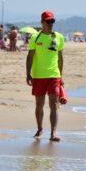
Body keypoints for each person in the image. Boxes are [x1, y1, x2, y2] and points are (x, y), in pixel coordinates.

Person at [26, 11, 65, 142]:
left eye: (52, 21)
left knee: (54, 104)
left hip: (54, 75)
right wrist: (28, 73)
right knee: (39, 105)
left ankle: (53, 132)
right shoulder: (35, 38)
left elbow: (60, 58)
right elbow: (30, 56)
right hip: (38, 75)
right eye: (47, 21)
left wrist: (61, 76)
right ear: (42, 22)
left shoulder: (59, 37)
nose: (50, 24)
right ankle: (39, 128)